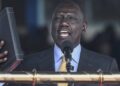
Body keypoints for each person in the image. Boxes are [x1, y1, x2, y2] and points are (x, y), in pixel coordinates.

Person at [0, 0, 119, 86]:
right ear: (51, 26)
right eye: (58, 18)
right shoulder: (27, 64)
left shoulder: (106, 66)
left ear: (84, 26)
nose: (64, 23)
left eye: (71, 18)